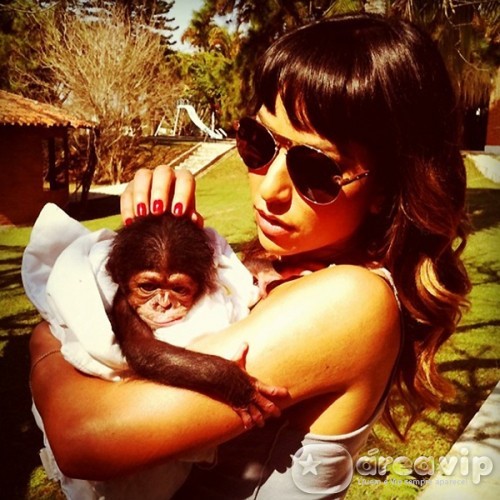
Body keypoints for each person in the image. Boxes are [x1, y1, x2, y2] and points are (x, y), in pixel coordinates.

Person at [29, 12, 471, 499]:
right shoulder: (275, 273)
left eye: (316, 169)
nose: (270, 189)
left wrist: (49, 334)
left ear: (386, 187)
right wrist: (167, 250)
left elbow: (84, 438)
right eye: (258, 143)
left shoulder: (351, 300)